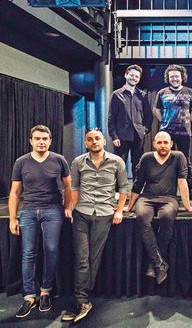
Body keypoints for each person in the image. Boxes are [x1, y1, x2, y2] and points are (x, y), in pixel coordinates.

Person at [61, 129, 128, 323]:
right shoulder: (78, 162)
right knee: (82, 258)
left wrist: (119, 211)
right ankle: (81, 300)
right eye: (90, 139)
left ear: (104, 141)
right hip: (82, 213)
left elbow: (124, 188)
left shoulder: (117, 161)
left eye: (97, 138)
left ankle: (83, 296)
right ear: (86, 143)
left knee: (93, 258)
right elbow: (74, 187)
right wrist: (71, 208)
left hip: (104, 214)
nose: (94, 141)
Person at [8, 125, 72, 318]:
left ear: (50, 141)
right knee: (29, 252)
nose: (41, 142)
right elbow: (15, 192)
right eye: (37, 138)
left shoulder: (59, 160)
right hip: (28, 211)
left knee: (51, 250)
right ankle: (29, 296)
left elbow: (68, 187)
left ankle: (45, 291)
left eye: (45, 138)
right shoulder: (21, 162)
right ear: (31, 141)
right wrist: (12, 218)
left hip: (53, 210)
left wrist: (68, 207)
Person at [125, 131, 192, 284]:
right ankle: (159, 264)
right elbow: (138, 184)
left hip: (169, 199)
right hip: (147, 198)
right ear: (154, 144)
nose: (163, 145)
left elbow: (182, 183)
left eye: (166, 142)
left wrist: (187, 206)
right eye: (159, 142)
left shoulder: (178, 157)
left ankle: (154, 264)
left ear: (171, 144)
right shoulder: (146, 158)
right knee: (142, 217)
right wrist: (129, 206)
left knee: (166, 216)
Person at [153, 64, 192, 200]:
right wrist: (164, 121)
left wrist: (186, 121)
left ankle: (190, 188)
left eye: (177, 76)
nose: (174, 78)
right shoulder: (162, 93)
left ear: (182, 77)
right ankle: (164, 188)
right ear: (167, 78)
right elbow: (156, 109)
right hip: (166, 133)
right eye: (171, 76)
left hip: (184, 132)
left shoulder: (190, 92)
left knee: (186, 161)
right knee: (164, 159)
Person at [108, 64, 153, 182]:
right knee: (119, 163)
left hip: (138, 135)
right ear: (126, 75)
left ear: (139, 78)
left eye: (136, 76)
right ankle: (119, 188)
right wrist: (114, 136)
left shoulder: (142, 95)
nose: (134, 78)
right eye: (132, 75)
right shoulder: (116, 94)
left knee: (137, 163)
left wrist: (145, 130)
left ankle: (136, 188)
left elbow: (148, 115)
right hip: (121, 136)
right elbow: (111, 117)